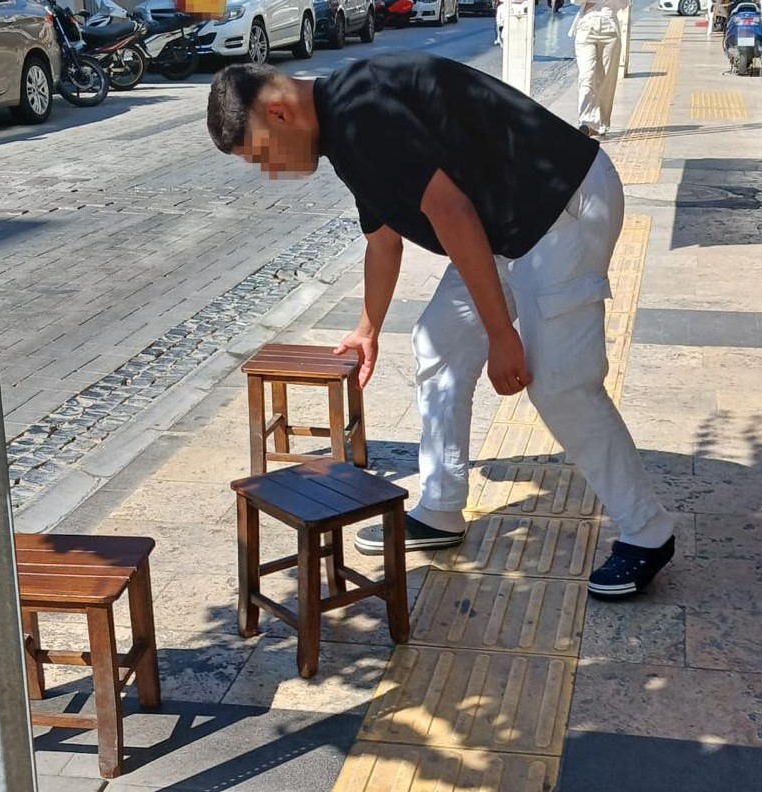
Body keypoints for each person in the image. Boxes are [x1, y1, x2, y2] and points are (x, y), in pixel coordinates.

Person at [207, 53, 679, 599]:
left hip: (562, 206)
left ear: (280, 112)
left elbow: (451, 214)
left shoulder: (361, 114)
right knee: (438, 343)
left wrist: (504, 336)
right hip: (504, 226)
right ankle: (440, 507)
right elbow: (383, 241)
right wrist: (367, 328)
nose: (271, 171)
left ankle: (647, 531)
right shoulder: (343, 126)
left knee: (559, 383)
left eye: (262, 155)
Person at [567, 0, 631, 137]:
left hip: (610, 27)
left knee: (605, 80)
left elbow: (622, 4)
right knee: (587, 77)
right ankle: (586, 121)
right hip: (587, 26)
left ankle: (602, 122)